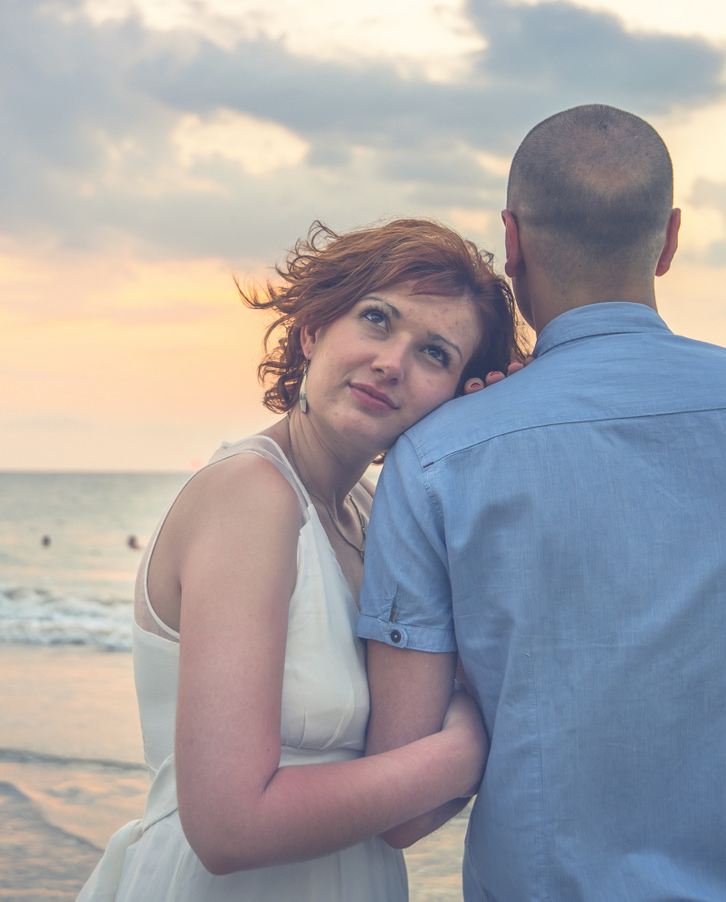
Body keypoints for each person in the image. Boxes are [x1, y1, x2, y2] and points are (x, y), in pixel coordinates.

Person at [360, 105, 726, 902]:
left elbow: (405, 805)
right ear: (668, 241)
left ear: (513, 240)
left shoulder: (437, 459)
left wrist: (507, 682)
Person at [77, 218, 526, 902]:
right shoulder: (250, 495)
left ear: (459, 395)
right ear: (313, 329)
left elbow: (405, 819)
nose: (392, 361)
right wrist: (464, 750)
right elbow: (229, 829)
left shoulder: (379, 515)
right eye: (377, 319)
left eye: (435, 353)